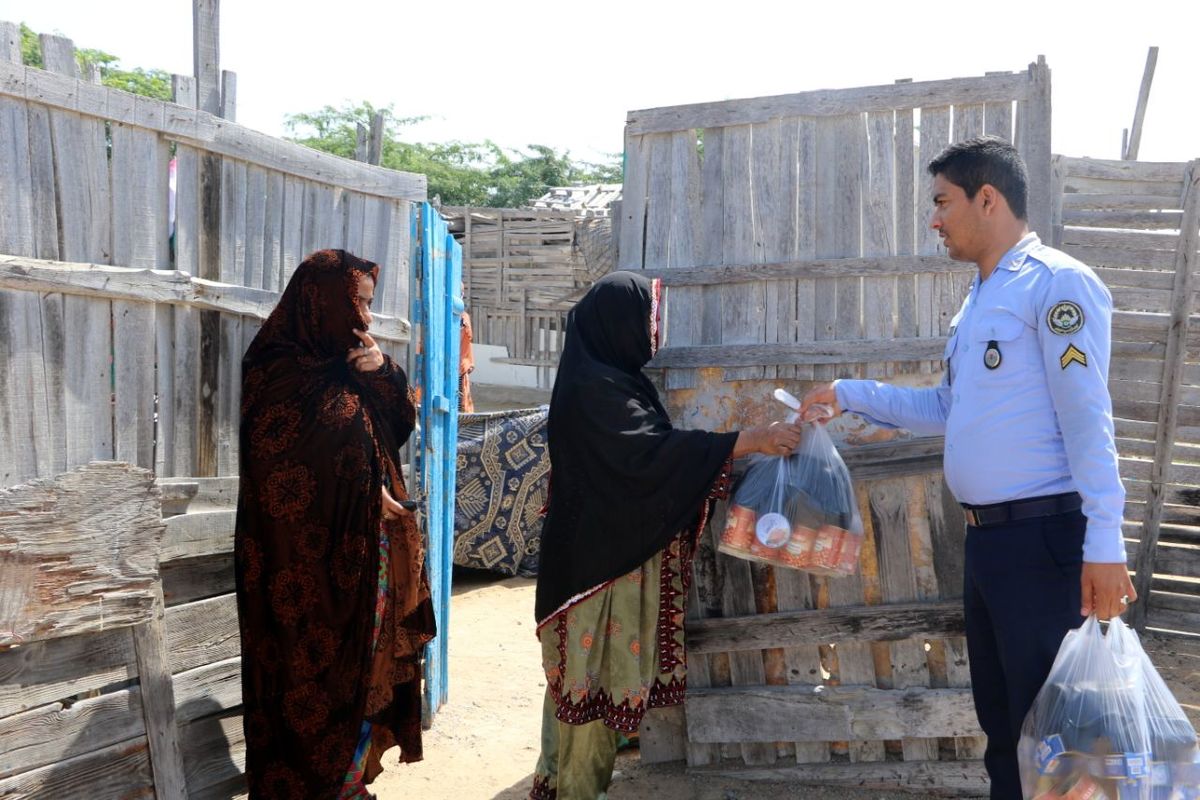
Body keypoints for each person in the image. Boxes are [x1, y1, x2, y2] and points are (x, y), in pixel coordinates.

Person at [800, 137, 1136, 800]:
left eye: (942, 203)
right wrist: (848, 393)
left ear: (988, 199)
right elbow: (952, 406)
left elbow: (1087, 419)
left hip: (1046, 542)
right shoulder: (980, 298)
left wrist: (1105, 542)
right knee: (1005, 726)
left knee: (1060, 736)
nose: (934, 220)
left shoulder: (1056, 284)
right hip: (990, 545)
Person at [530, 271, 803, 799]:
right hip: (597, 568)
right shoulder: (596, 389)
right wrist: (751, 440)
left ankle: (556, 782)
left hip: (595, 557)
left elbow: (650, 453)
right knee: (592, 684)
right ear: (617, 322)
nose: (653, 335)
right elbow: (647, 457)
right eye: (646, 320)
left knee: (580, 683)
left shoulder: (609, 380)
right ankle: (573, 791)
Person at [235, 249, 435, 799]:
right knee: (305, 681)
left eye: (370, 304)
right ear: (322, 299)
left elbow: (395, 428)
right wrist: (361, 490)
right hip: (300, 573)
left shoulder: (350, 361)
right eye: (359, 302)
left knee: (367, 663)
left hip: (363, 560)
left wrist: (385, 375)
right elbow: (274, 465)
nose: (367, 317)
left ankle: (347, 784)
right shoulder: (274, 367)